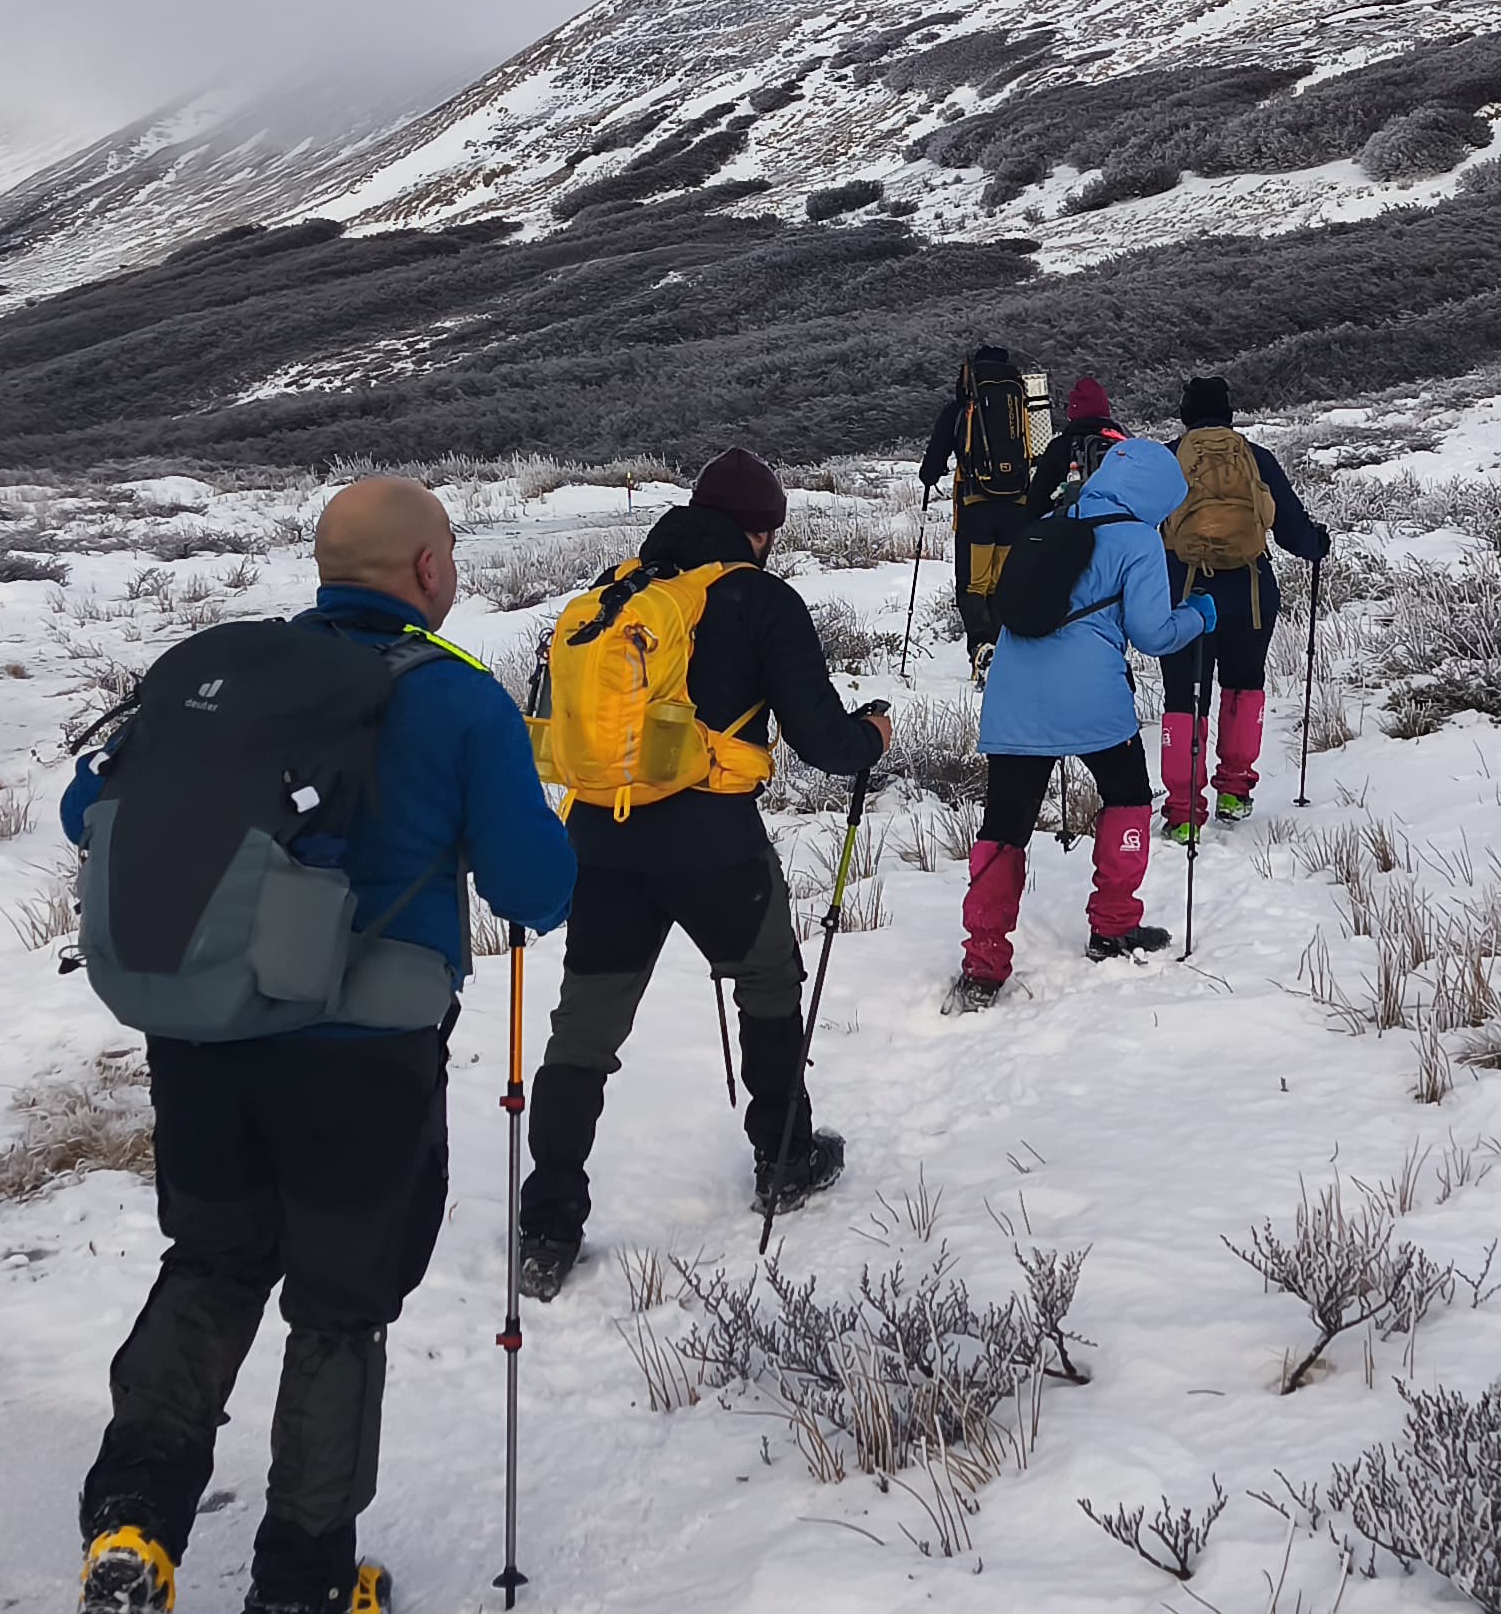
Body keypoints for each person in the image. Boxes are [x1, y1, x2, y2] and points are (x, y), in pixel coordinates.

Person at [67, 478, 574, 1614]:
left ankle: (136, 1523)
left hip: (205, 1030)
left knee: (211, 1260)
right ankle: (303, 1581)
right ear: (429, 570)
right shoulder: (456, 699)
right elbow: (533, 888)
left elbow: (83, 813)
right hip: (364, 1059)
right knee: (339, 1310)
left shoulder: (225, 682)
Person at [515, 447, 891, 1295]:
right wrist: (872, 736)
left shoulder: (621, 594)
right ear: (761, 532)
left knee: (583, 1032)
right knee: (767, 981)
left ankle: (546, 1225)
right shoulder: (759, 599)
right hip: (713, 841)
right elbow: (825, 744)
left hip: (600, 839)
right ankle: (784, 1154)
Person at [950, 432, 1214, 1011]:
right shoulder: (1137, 540)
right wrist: (1195, 616)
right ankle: (1114, 925)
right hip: (1092, 699)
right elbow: (1151, 634)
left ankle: (984, 960)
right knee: (1127, 797)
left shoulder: (1049, 520)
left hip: (1013, 698)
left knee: (1004, 824)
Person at [1158, 376, 1333, 840]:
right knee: (1243, 685)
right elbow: (1294, 533)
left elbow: (1137, 531)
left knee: (1183, 699)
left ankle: (1183, 813)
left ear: (1185, 415)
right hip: (1250, 595)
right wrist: (1317, 543)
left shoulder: (1167, 459)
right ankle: (1234, 792)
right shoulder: (1256, 459)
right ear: (1229, 415)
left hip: (1183, 596)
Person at [918, 345, 1040, 676]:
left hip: (976, 508)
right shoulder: (1022, 406)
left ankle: (982, 648)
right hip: (1017, 507)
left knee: (973, 585)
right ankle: (1004, 653)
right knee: (1001, 583)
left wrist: (930, 477)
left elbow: (931, 467)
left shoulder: (960, 410)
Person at [1023, 373, 1125, 513]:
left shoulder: (1060, 446)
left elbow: (1038, 501)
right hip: (1117, 525)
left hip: (1070, 527)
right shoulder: (1122, 445)